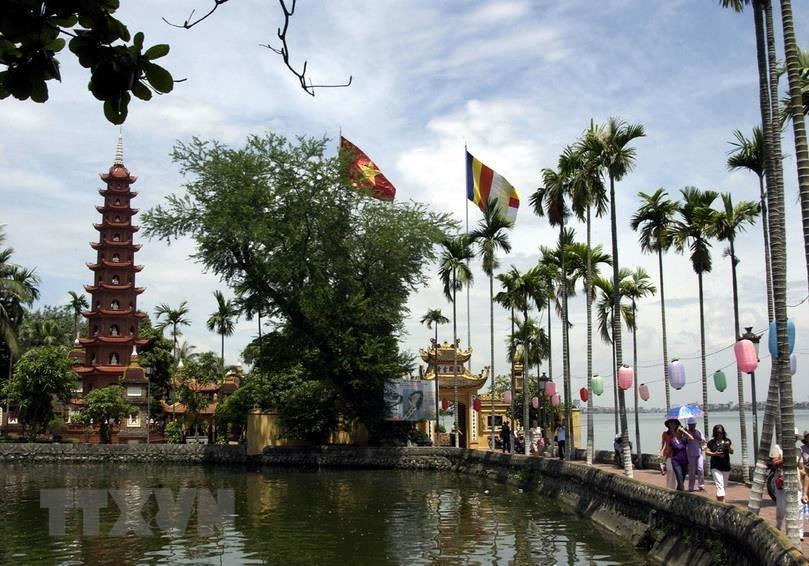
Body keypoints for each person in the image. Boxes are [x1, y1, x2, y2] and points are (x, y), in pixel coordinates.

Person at [705, 424, 733, 502]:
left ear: (723, 433)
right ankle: (722, 504)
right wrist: (715, 454)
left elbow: (732, 452)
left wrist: (728, 447)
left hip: (725, 466)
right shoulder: (711, 442)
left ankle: (719, 501)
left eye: (721, 433)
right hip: (715, 466)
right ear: (715, 433)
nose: (719, 434)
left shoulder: (727, 441)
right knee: (719, 484)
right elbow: (707, 452)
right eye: (717, 433)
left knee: (723, 487)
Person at [669, 424, 695, 491]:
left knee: (682, 479)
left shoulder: (684, 439)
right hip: (676, 462)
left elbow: (692, 438)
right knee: (679, 478)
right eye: (679, 430)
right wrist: (664, 460)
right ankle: (684, 495)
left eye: (681, 431)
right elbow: (669, 451)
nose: (680, 432)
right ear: (675, 432)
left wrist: (684, 431)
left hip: (684, 462)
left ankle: (678, 492)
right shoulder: (672, 441)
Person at [685, 417, 706, 492]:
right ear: (688, 425)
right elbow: (684, 442)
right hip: (690, 454)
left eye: (693, 424)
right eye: (690, 425)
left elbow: (703, 441)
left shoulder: (698, 431)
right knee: (691, 471)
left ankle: (701, 485)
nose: (692, 426)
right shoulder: (686, 432)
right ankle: (691, 487)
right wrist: (687, 437)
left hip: (698, 453)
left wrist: (698, 437)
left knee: (700, 469)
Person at [660, 418, 680, 490]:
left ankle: (675, 488)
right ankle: (669, 488)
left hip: (676, 455)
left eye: (674, 423)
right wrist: (661, 452)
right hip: (668, 455)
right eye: (670, 423)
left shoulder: (678, 433)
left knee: (675, 472)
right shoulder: (665, 434)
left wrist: (673, 431)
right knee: (670, 471)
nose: (672, 425)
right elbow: (663, 444)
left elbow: (676, 440)